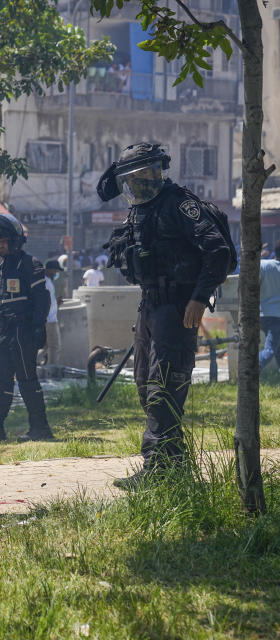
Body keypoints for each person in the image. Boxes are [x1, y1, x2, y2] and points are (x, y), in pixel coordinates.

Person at [98, 142, 233, 489]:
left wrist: (199, 298)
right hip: (151, 307)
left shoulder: (179, 203)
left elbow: (217, 251)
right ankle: (173, 468)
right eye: (133, 178)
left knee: (163, 388)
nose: (140, 182)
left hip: (177, 309)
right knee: (146, 386)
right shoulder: (140, 210)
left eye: (147, 174)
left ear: (159, 171)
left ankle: (160, 471)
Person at [0, 213, 54, 444]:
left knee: (27, 379)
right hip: (6, 331)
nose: (0, 245)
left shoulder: (30, 264)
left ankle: (40, 427)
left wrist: (38, 326)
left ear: (15, 240)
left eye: (4, 241)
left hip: (24, 330)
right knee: (1, 380)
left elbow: (41, 299)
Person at [260, 241, 280, 375]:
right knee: (271, 349)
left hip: (261, 313)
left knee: (278, 349)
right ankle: (250, 369)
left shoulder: (263, 265)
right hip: (277, 316)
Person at [42, 259, 63, 366]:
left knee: (47, 346)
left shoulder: (47, 281)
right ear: (50, 270)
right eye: (56, 271)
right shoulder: (46, 282)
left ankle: (32, 363)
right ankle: (52, 370)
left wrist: (57, 303)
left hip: (48, 318)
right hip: (50, 320)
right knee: (55, 346)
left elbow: (49, 300)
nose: (57, 273)